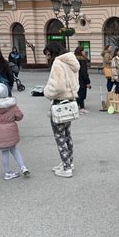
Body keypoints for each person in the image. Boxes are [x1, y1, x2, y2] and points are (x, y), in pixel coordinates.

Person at [43, 42, 80, 178]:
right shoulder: (71, 62)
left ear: (53, 52)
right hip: (70, 102)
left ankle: (66, 167)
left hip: (59, 103)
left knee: (59, 136)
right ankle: (69, 162)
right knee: (67, 134)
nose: (47, 57)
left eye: (48, 54)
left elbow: (57, 86)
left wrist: (46, 91)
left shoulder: (58, 63)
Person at [74, 46, 91, 114]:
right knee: (81, 95)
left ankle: (82, 107)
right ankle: (76, 108)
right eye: (83, 51)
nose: (84, 52)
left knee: (78, 94)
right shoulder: (82, 60)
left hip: (75, 79)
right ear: (80, 52)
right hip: (81, 80)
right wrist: (88, 82)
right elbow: (84, 72)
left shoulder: (74, 59)